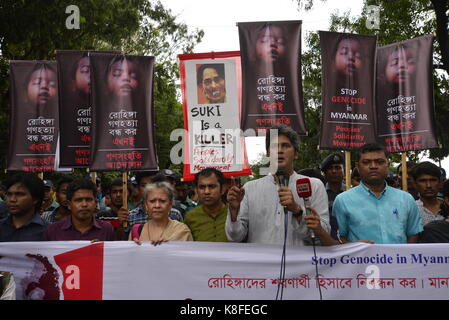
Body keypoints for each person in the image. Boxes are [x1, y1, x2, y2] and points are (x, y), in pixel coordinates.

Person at [226, 124, 333, 245]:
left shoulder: (314, 186)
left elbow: (324, 234)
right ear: (267, 153)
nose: (280, 150)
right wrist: (233, 213)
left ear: (296, 154)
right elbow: (235, 237)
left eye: (286, 146)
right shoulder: (249, 189)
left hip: (300, 263)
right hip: (262, 263)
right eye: (274, 146)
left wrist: (297, 210)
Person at [333, 143, 423, 244]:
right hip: (361, 259)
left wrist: (405, 257)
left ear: (387, 164)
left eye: (379, 162)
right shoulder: (343, 200)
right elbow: (339, 238)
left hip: (399, 259)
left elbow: (413, 234)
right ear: (358, 166)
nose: (373, 166)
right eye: (366, 162)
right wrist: (354, 246)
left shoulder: (406, 199)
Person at [43, 179, 115, 241]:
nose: (84, 204)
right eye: (78, 200)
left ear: (95, 202)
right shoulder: (53, 231)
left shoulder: (106, 230)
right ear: (69, 204)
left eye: (88, 200)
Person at [0, 173, 48, 242]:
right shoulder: (1, 227)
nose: (12, 199)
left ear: (35, 199)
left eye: (19, 194)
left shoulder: (48, 231)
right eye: (9, 194)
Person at [184, 168, 228, 242]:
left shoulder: (234, 214)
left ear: (223, 189)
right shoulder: (190, 217)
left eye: (212, 186)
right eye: (202, 187)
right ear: (196, 190)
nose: (206, 192)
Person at [320, 152, 345, 240]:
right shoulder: (319, 193)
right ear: (325, 173)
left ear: (344, 171)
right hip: (326, 243)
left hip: (349, 244)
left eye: (338, 168)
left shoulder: (350, 193)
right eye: (330, 168)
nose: (334, 171)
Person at [411, 161, 445, 226]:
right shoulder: (411, 209)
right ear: (415, 184)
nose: (428, 185)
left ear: (440, 183)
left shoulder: (446, 206)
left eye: (433, 180)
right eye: (423, 181)